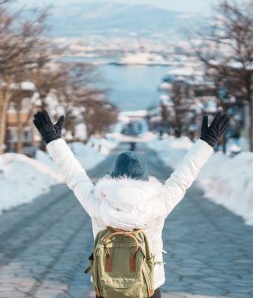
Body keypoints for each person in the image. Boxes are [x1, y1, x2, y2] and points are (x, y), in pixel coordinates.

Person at [33, 110, 230, 298]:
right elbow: (182, 178)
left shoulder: (98, 203)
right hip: (148, 285)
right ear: (145, 179)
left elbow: (74, 176)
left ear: (113, 177)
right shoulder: (157, 204)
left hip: (106, 285)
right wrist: (207, 141)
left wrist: (53, 139)